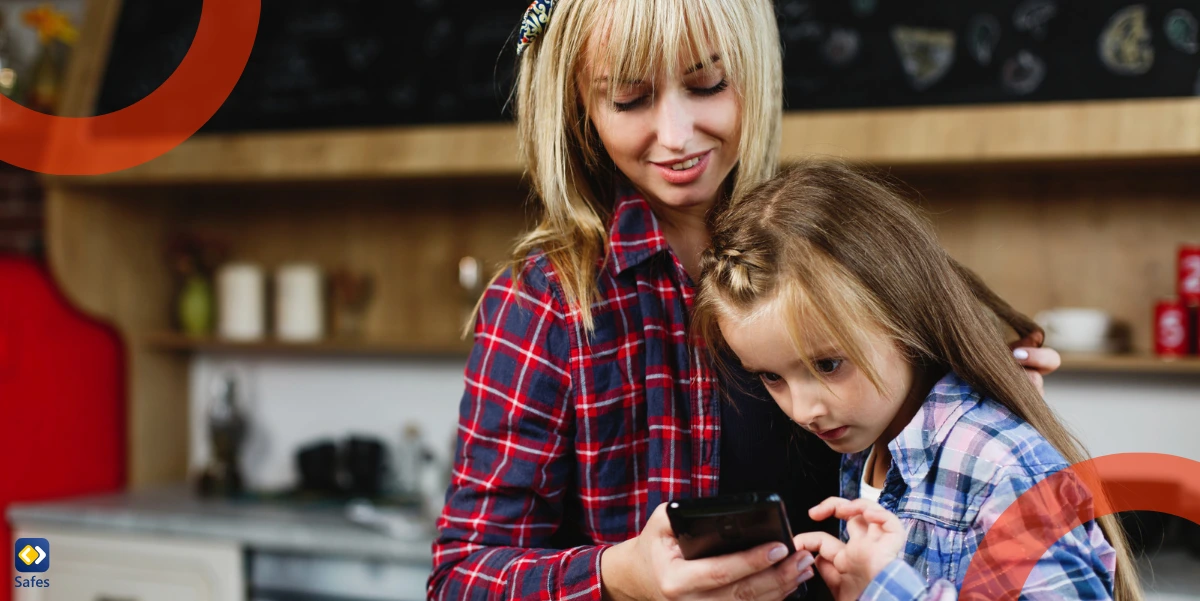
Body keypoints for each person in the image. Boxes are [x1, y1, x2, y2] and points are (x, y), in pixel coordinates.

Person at [429, 1, 1062, 599]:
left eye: (707, 86)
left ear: (753, 69)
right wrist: (621, 575)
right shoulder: (547, 303)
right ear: (580, 110)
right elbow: (459, 578)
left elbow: (950, 383)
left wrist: (983, 388)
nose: (676, 135)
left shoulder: (824, 242)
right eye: (629, 98)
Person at [693, 160, 1141, 600]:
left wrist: (888, 590)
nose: (803, 409)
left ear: (902, 316)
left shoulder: (997, 466)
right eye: (772, 377)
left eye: (828, 365)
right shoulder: (865, 449)